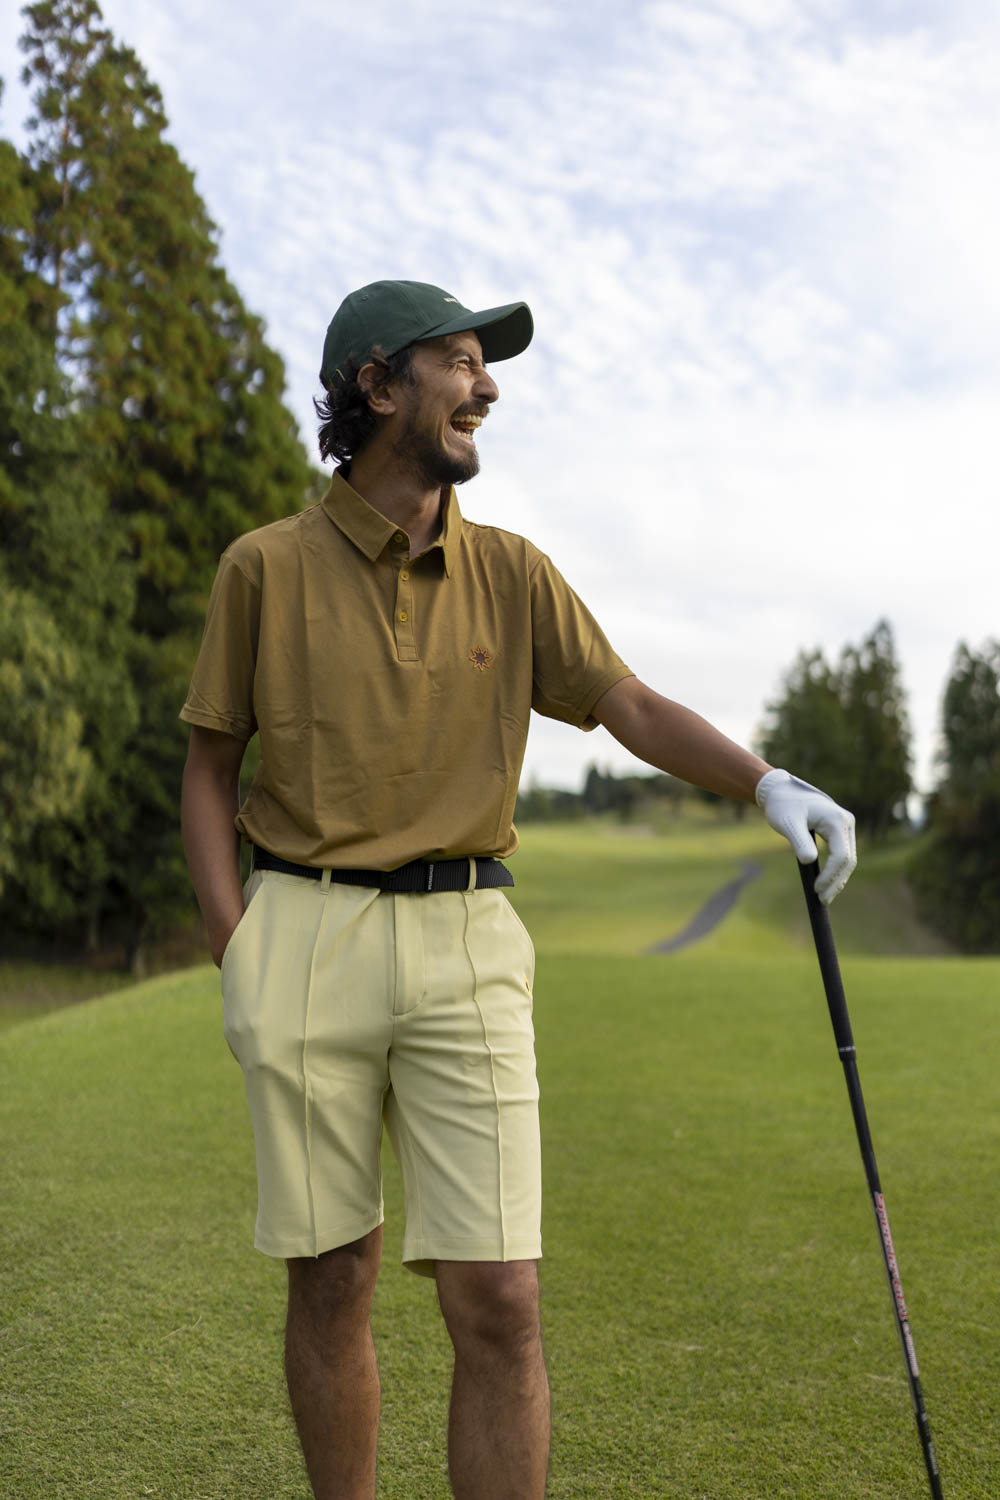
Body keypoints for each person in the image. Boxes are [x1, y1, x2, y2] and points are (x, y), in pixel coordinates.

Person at [179, 279, 856, 1500]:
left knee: (499, 1299)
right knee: (331, 1279)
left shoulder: (513, 571)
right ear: (376, 384)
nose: (486, 385)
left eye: (485, 366)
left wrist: (766, 784)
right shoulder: (262, 570)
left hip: (469, 940)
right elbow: (209, 767)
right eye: (457, 360)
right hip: (304, 935)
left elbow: (629, 705)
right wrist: (238, 948)